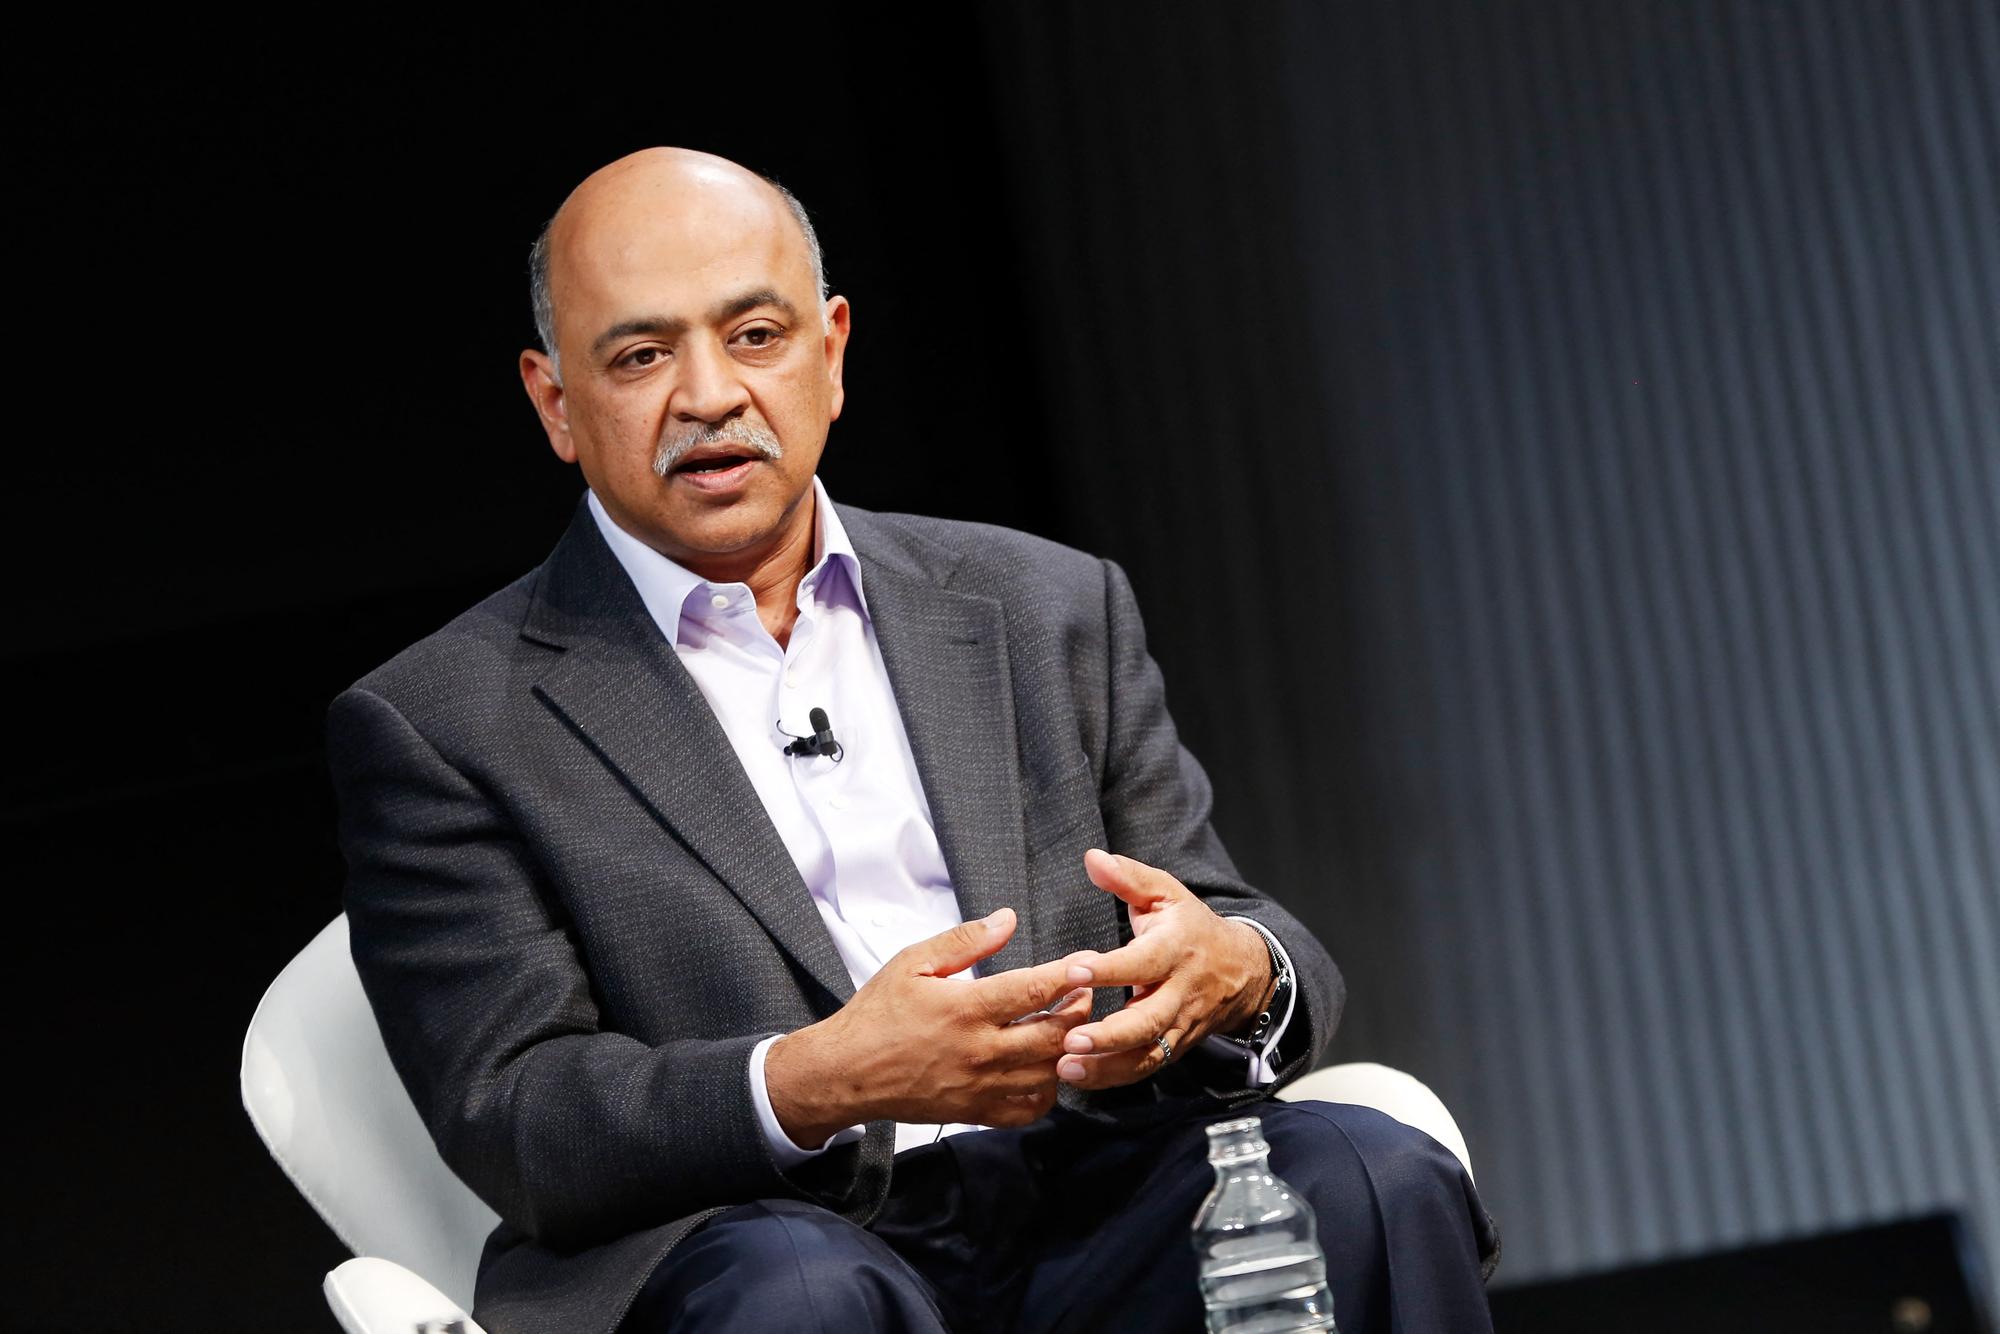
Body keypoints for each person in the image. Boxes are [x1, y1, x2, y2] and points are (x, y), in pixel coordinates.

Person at [327, 147, 1497, 1334]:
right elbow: (521, 1115)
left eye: (754, 335)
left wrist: (1235, 970)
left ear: (830, 354)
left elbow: (1214, 909)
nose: (708, 394)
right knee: (802, 1294)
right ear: (555, 403)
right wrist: (819, 1077)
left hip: (1093, 1195)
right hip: (764, 1241)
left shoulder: (1043, 603)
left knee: (1365, 1171)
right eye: (639, 355)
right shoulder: (444, 720)